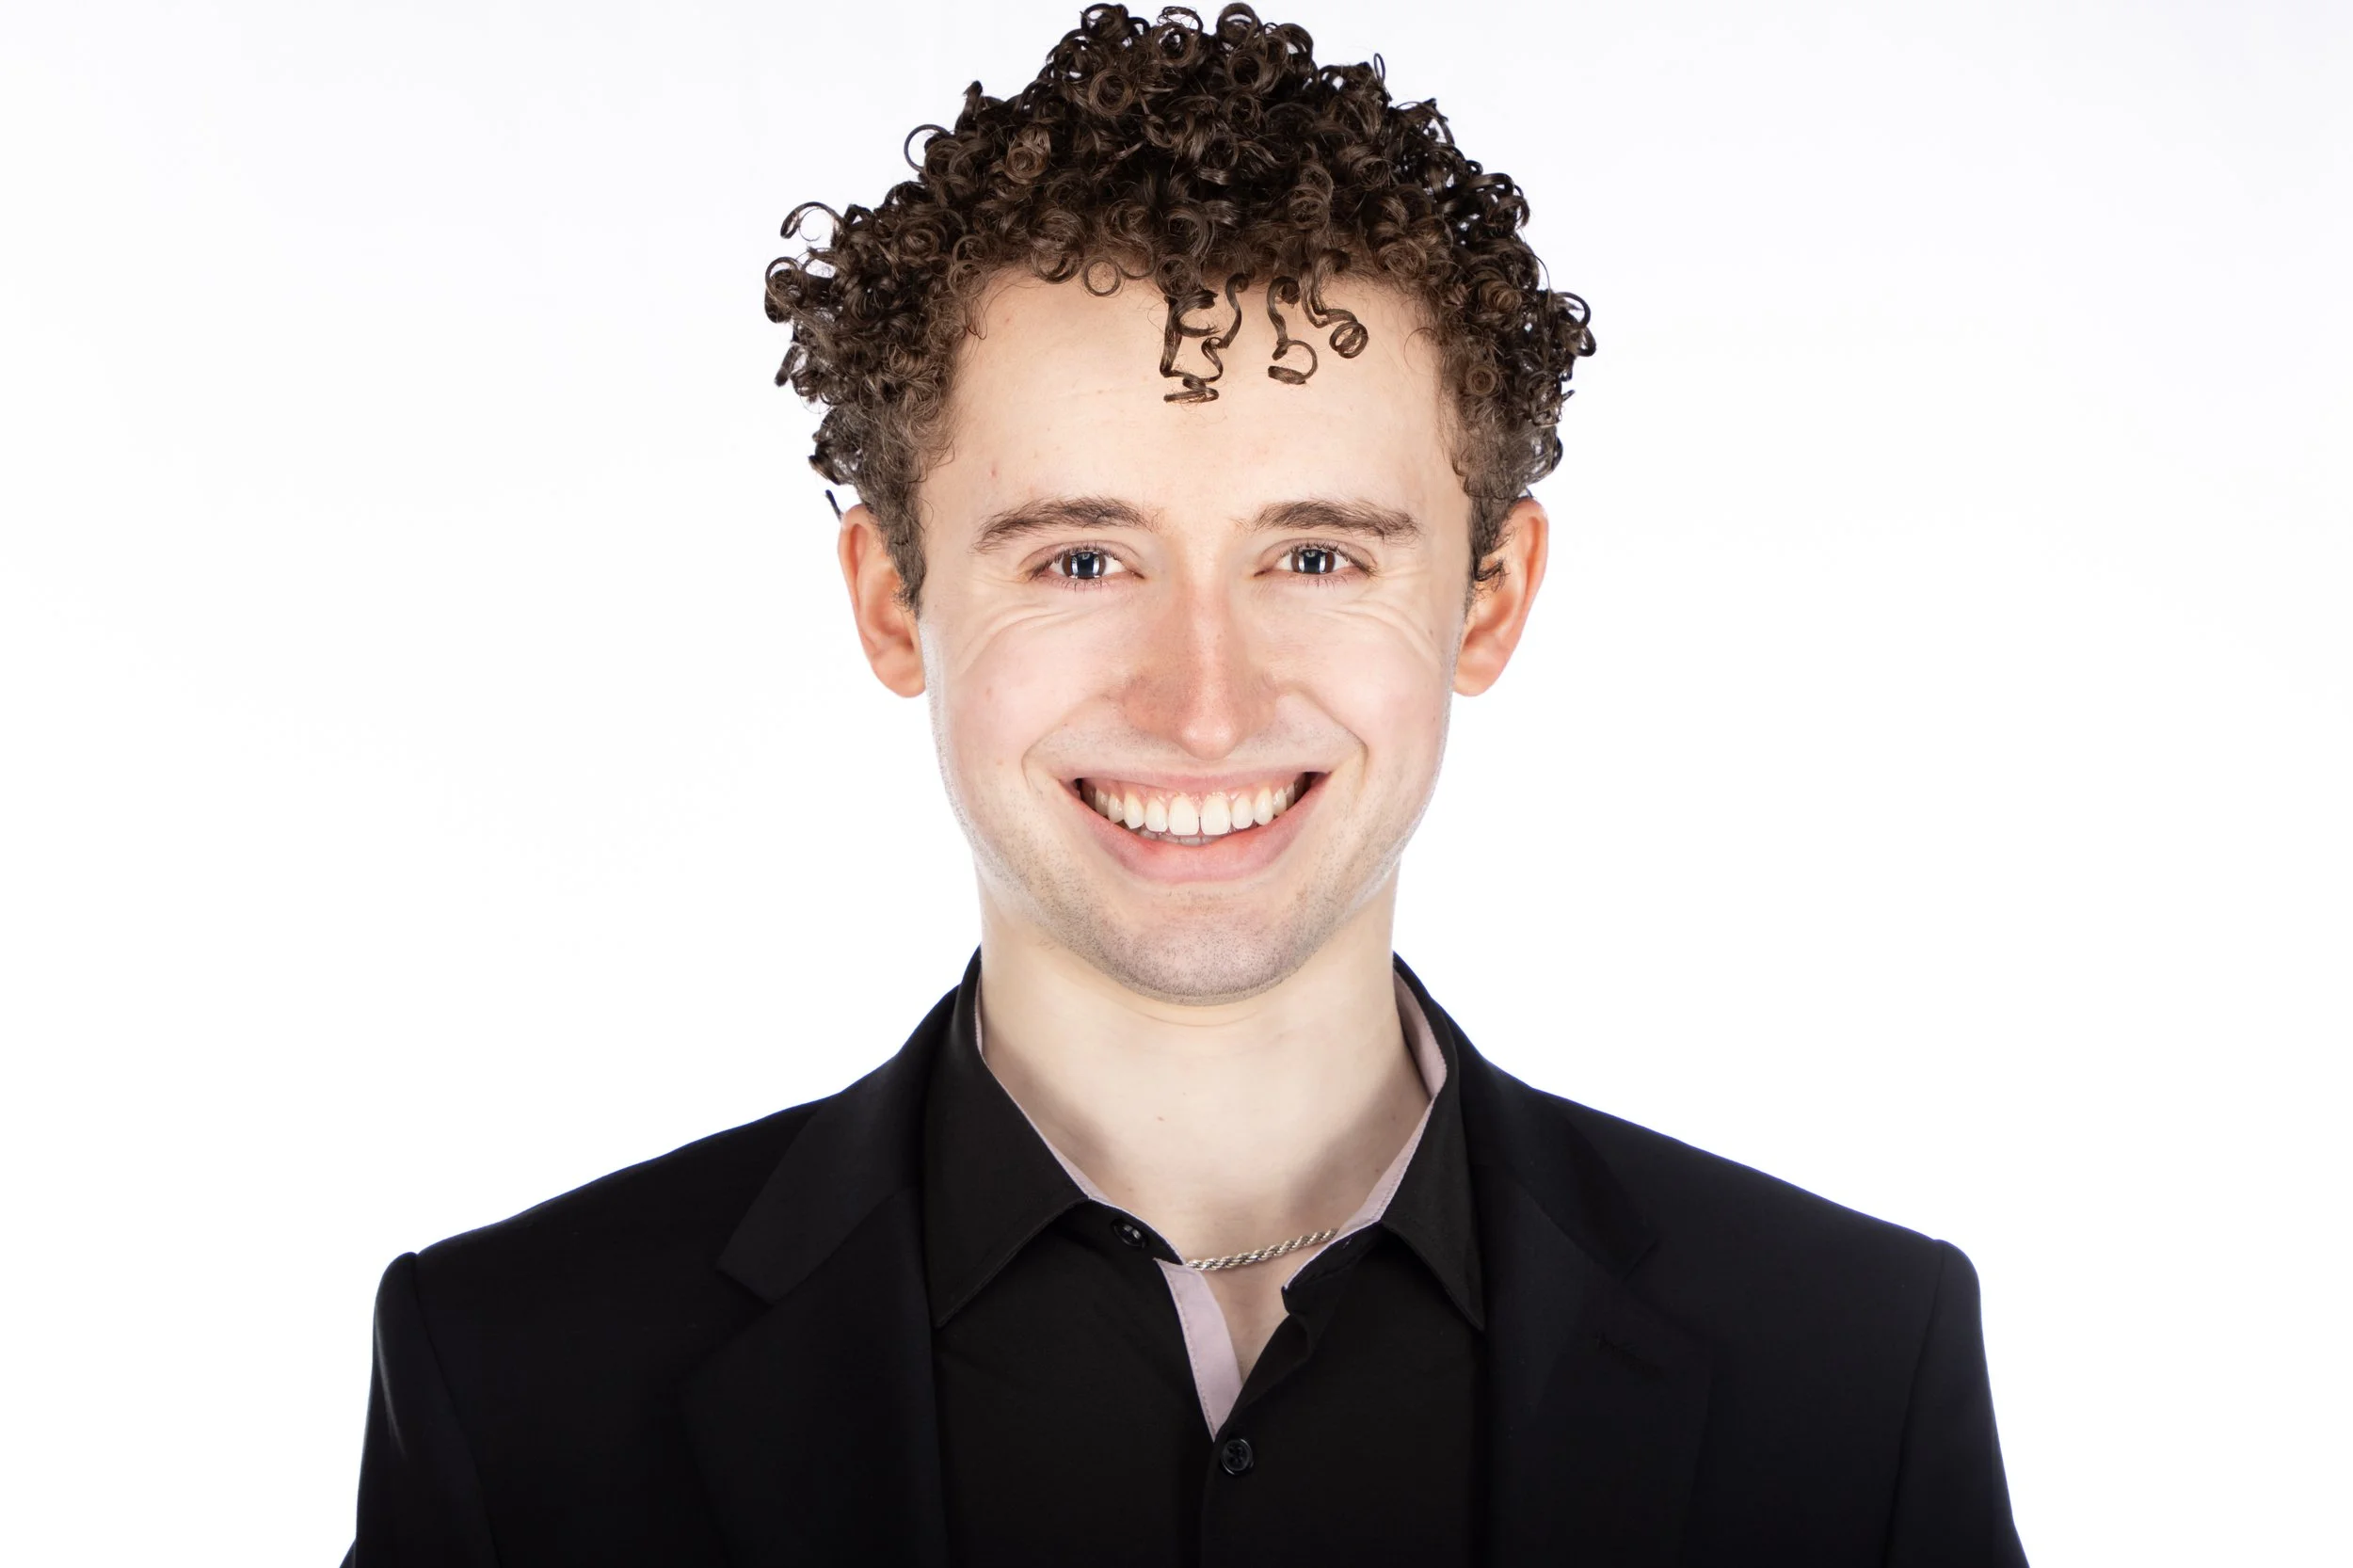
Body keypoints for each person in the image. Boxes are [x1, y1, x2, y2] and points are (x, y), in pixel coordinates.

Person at [344, 6, 2027, 1563]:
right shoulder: (518, 1385)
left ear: (1489, 600)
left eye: (1311, 551)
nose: (1204, 705)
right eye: (1082, 560)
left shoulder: (1853, 1379)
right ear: (892, 600)